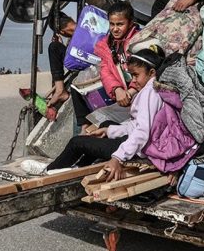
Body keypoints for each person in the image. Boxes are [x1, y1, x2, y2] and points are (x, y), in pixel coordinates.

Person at [21, 47, 165, 181]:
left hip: (140, 148)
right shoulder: (153, 89)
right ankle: (79, 167)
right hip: (140, 142)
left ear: (152, 73)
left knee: (76, 142)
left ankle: (48, 170)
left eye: (136, 75)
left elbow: (142, 132)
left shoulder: (149, 94)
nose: (133, 80)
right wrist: (108, 131)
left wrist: (117, 158)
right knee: (105, 125)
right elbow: (137, 126)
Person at [70, 2, 140, 134]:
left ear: (131, 23)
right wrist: (116, 89)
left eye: (120, 24)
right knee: (76, 89)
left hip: (138, 95)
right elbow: (106, 70)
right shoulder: (107, 44)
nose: (115, 29)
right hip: (121, 94)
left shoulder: (138, 42)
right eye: (112, 24)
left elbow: (144, 74)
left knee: (99, 123)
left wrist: (130, 92)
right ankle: (84, 129)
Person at [46, 12, 77, 106]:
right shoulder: (85, 25)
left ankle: (60, 91)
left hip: (83, 64)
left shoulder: (72, 37)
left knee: (54, 47)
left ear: (62, 32)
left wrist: (58, 46)